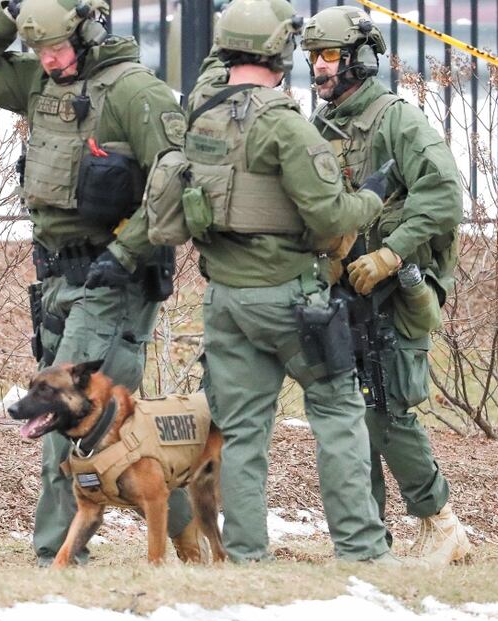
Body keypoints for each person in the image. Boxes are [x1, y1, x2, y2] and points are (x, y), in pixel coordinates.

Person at [0, 0, 206, 566]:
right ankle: (192, 540)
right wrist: (12, 13)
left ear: (88, 33)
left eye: (58, 46)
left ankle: (56, 558)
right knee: (109, 428)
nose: (50, 59)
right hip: (59, 275)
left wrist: (125, 250)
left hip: (113, 280)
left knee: (64, 413)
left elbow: (179, 178)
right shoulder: (42, 81)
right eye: (39, 48)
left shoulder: (134, 92)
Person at [183, 0, 394, 563]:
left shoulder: (202, 110)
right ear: (281, 51)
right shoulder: (284, 123)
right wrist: (371, 194)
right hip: (290, 300)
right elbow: (329, 216)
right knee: (338, 412)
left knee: (243, 430)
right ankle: (363, 550)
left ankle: (249, 556)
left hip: (225, 298)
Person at [302, 5, 469, 565]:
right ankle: (369, 541)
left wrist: (392, 254)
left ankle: (441, 522)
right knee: (353, 416)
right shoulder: (321, 127)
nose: (318, 69)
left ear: (357, 58)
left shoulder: (396, 118)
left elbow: (445, 193)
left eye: (327, 56)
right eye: (311, 58)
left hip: (398, 292)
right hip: (343, 291)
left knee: (388, 411)